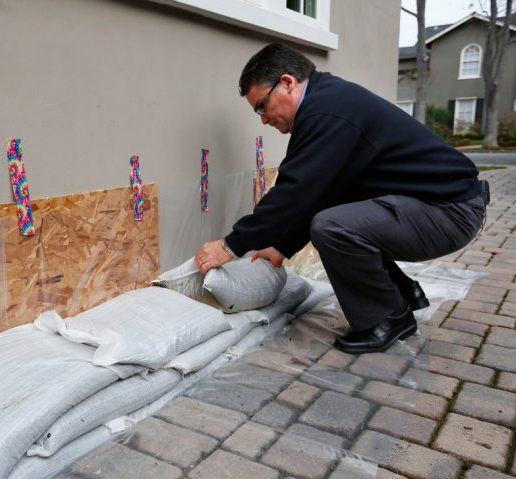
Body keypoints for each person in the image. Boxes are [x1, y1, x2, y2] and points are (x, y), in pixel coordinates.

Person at [195, 43, 486, 355]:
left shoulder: (327, 112)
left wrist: (230, 245)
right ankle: (401, 294)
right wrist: (283, 246)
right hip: (440, 205)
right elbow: (322, 191)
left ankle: (388, 317)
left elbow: (294, 192)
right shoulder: (328, 103)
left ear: (288, 82)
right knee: (337, 218)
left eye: (262, 106)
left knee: (332, 227)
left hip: (449, 212)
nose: (263, 119)